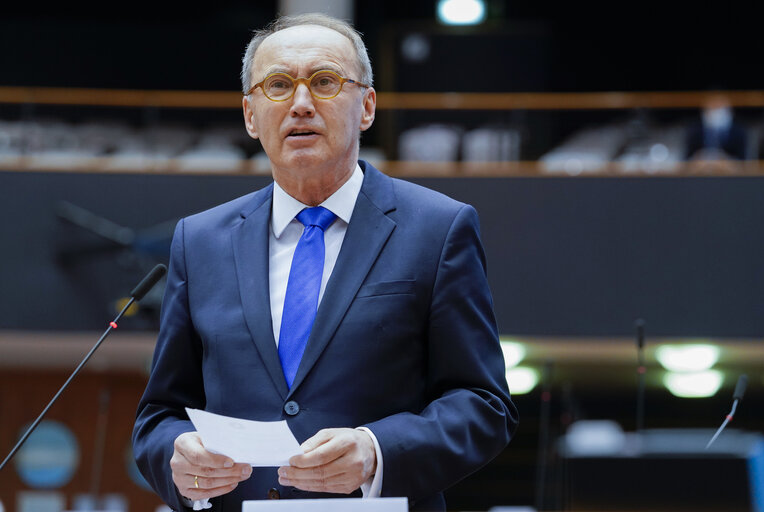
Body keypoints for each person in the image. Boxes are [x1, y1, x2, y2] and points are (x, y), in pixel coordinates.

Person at [132, 12, 517, 511]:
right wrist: (175, 458)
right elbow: (159, 416)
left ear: (367, 107)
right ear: (250, 115)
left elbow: (484, 405)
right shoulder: (200, 240)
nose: (300, 104)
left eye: (325, 81)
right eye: (277, 85)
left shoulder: (438, 229)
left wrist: (378, 451)